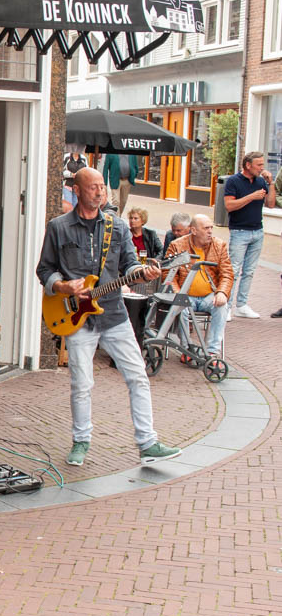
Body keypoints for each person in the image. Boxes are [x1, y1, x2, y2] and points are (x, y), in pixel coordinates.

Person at [36, 167, 181, 468]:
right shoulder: (58, 227)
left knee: (138, 376)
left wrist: (142, 273)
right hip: (76, 317)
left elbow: (130, 265)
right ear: (77, 190)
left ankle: (147, 443)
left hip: (114, 313)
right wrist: (62, 286)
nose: (100, 191)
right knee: (81, 383)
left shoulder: (118, 226)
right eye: (93, 187)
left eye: (102, 186)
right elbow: (45, 269)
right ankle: (81, 441)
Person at [165, 214, 232, 357]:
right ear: (194, 230)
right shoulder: (177, 245)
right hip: (186, 295)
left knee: (222, 306)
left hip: (209, 296)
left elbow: (227, 273)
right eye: (206, 228)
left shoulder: (219, 245)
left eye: (211, 228)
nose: (210, 231)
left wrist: (222, 292)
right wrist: (178, 293)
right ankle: (187, 350)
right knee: (179, 305)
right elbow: (168, 274)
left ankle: (212, 352)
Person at [222, 151, 275, 319]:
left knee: (249, 271)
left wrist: (271, 183)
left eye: (262, 164)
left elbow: (271, 204)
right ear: (248, 165)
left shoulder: (261, 181)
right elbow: (229, 206)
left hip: (257, 231)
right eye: (259, 165)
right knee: (234, 270)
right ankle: (226, 307)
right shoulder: (233, 181)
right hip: (239, 231)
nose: (262, 168)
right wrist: (252, 196)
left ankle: (242, 305)